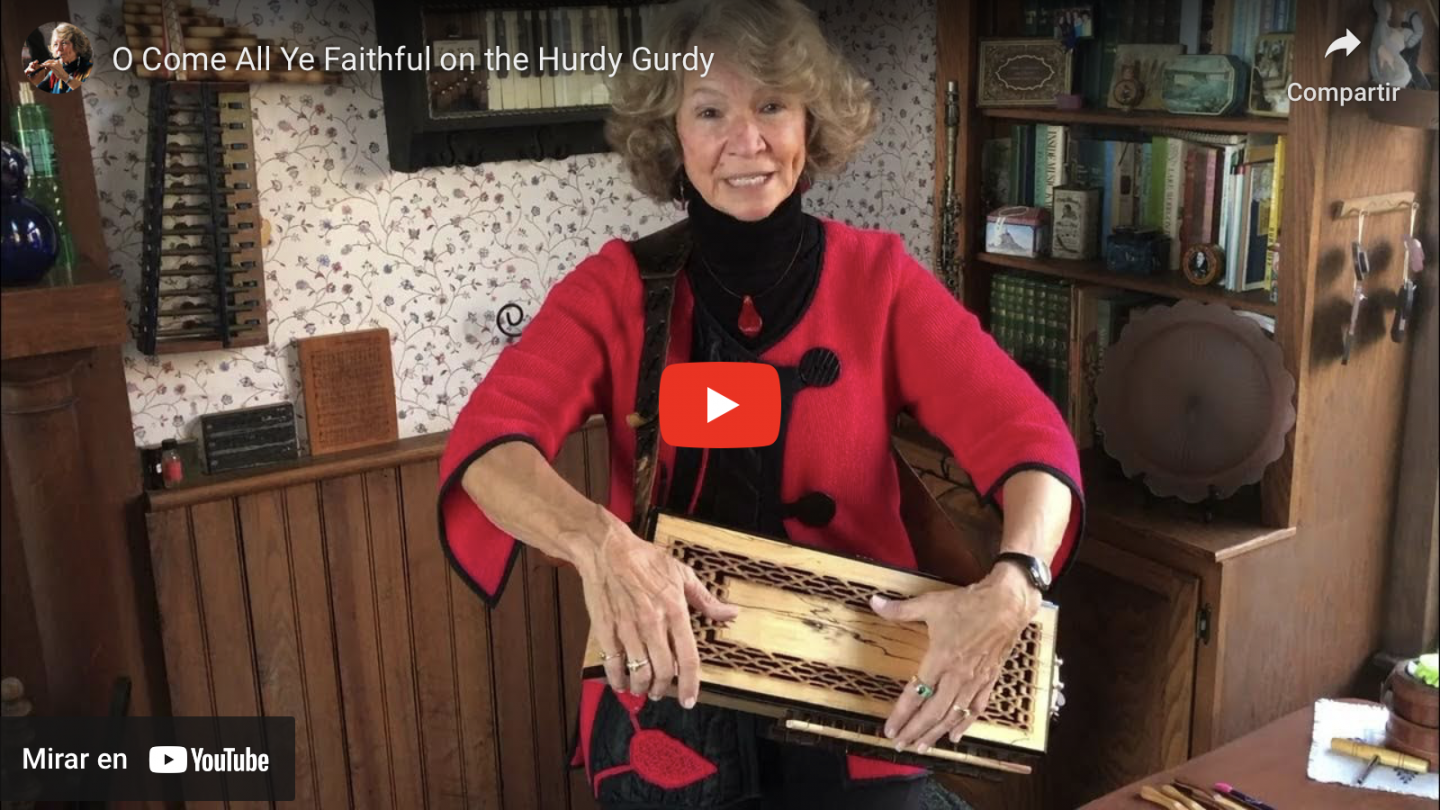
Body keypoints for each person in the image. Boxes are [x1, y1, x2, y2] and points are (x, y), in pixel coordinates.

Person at [437, 1, 1085, 807]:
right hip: (668, 713)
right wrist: (599, 544)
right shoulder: (612, 289)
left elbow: (1030, 436)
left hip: (865, 709)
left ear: (810, 122)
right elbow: (490, 447)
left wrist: (1017, 578)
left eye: (772, 105)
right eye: (711, 112)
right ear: (671, 133)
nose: (747, 142)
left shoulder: (879, 280)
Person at [24, 23, 94, 95]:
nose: (58, 49)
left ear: (77, 46)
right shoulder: (55, 71)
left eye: (64, 43)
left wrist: (65, 77)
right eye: (55, 44)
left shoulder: (87, 67)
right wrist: (30, 80)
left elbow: (84, 93)